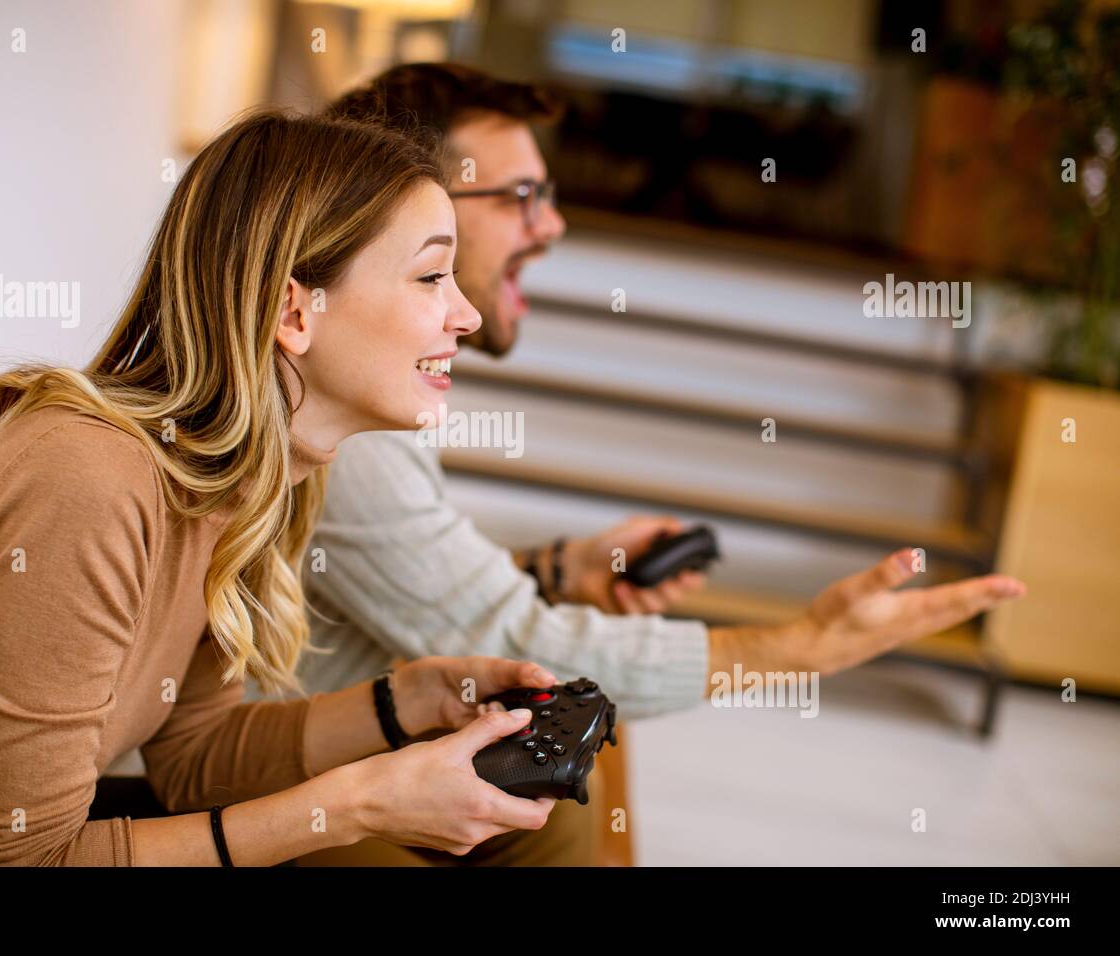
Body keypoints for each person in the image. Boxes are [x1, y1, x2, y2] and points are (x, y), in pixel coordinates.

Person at [282, 64, 1027, 866]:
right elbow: (503, 634)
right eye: (522, 197)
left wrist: (561, 567)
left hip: (315, 723)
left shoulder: (363, 395)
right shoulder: (342, 419)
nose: (554, 226)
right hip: (268, 770)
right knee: (556, 760)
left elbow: (411, 587)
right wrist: (799, 647)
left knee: (569, 763)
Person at [0, 110, 567, 866]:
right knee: (359, 848)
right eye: (433, 276)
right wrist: (356, 802)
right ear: (293, 312)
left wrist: (405, 701)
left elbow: (193, 758)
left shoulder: (258, 474)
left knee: (536, 822)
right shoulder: (87, 481)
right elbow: (17, 862)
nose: (465, 315)